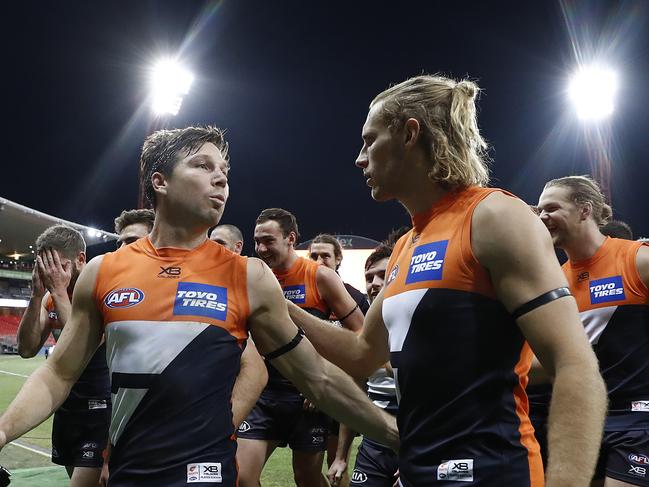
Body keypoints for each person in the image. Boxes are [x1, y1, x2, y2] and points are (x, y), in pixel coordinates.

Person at [0, 126, 398, 487]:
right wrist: (3, 431)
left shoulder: (248, 276)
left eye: (224, 169)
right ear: (160, 182)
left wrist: (395, 435)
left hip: (207, 475)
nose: (221, 178)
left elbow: (318, 379)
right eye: (202, 165)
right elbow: (57, 374)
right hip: (127, 474)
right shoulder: (103, 272)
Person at [286, 75, 606, 486]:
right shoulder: (405, 245)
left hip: (492, 470)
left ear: (409, 133)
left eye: (370, 140)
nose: (359, 158)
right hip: (417, 468)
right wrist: (280, 307)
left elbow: (575, 365)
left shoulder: (493, 216)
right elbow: (362, 354)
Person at [236, 208, 365, 487]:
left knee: (306, 478)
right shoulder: (254, 278)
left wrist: (321, 378)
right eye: (257, 241)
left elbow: (360, 334)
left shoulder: (321, 277)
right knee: (242, 477)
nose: (261, 248)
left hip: (307, 398)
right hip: (264, 395)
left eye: (269, 240)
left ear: (290, 238)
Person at [537, 175, 649, 487]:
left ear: (585, 210)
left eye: (551, 208)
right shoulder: (551, 281)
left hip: (636, 417)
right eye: (538, 210)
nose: (542, 216)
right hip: (578, 421)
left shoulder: (637, 259)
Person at [16, 225, 110, 487]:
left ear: (81, 259)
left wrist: (57, 292)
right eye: (47, 267)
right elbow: (26, 348)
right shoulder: (49, 297)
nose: (53, 274)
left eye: (60, 266)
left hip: (101, 404)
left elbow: (86, 344)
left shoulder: (101, 289)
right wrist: (36, 296)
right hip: (67, 404)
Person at [329, 243, 399, 487]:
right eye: (369, 278)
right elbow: (355, 394)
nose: (375, 283)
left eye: (384, 275)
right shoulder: (366, 332)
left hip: (420, 437)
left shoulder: (423, 323)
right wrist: (340, 457)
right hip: (375, 440)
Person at [308, 233, 370, 315]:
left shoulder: (356, 297)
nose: (319, 262)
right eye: (314, 257)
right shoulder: (298, 295)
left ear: (338, 259)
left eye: (325, 256)